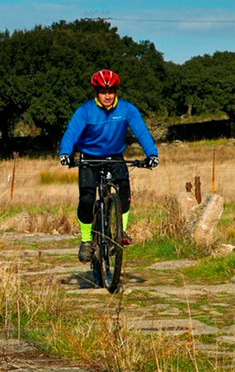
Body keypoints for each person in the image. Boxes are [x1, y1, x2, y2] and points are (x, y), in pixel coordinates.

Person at [58, 69, 159, 262]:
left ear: (115, 91)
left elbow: (141, 132)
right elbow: (71, 133)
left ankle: (120, 232)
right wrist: (65, 153)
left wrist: (151, 154)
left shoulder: (127, 109)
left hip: (114, 156)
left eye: (111, 91)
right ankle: (86, 241)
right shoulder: (85, 111)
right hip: (90, 157)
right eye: (103, 91)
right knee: (87, 199)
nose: (107, 95)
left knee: (124, 192)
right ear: (96, 92)